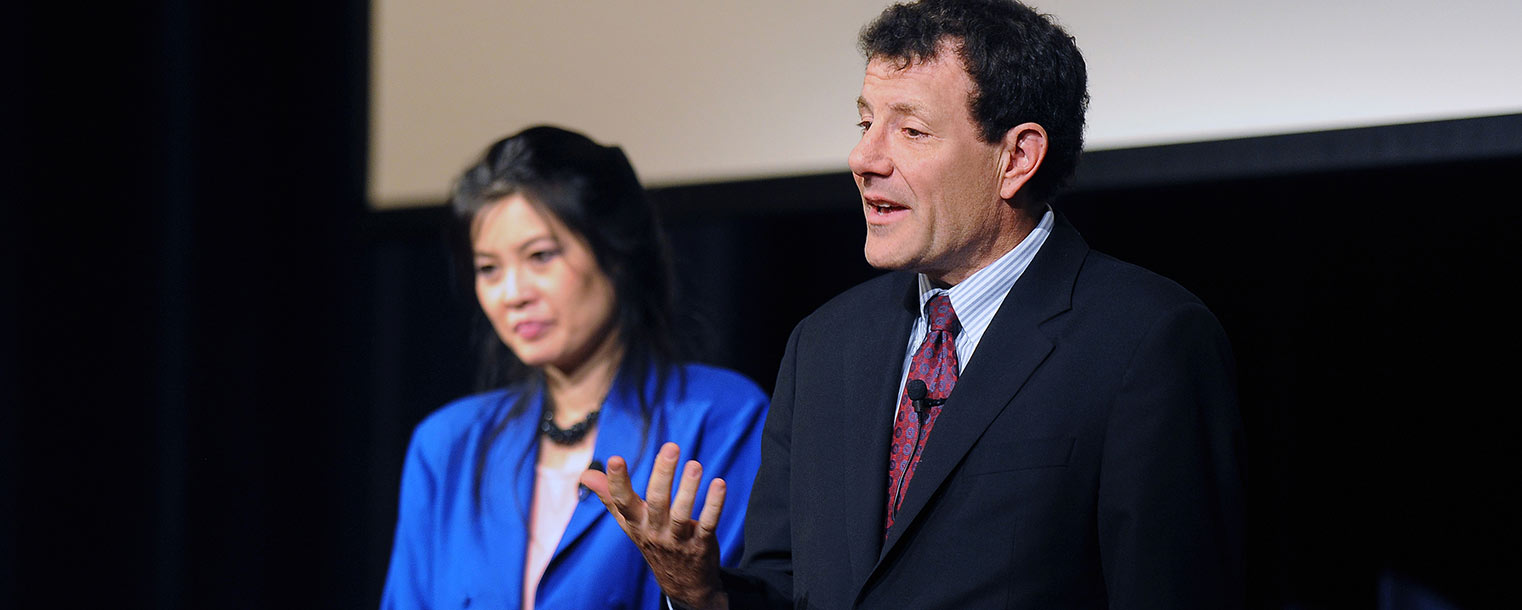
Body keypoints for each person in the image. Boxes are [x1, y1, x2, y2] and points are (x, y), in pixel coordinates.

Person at [580, 1, 1246, 609]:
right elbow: (784, 588)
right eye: (866, 122)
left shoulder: (1144, 340)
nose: (863, 157)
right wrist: (700, 594)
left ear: (1016, 157)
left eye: (912, 131)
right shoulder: (825, 344)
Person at [380, 126, 769, 609]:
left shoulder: (720, 417)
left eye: (540, 256)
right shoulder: (446, 445)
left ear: (617, 253)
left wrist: (695, 593)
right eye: (488, 269)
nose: (513, 294)